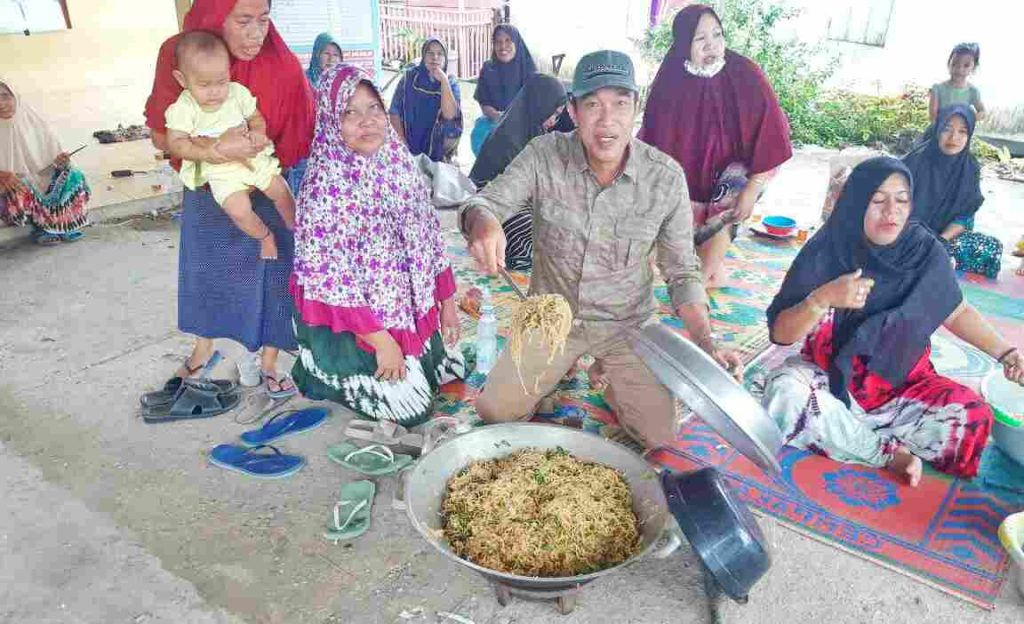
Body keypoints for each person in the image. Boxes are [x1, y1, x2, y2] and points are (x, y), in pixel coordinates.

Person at [460, 50, 743, 450]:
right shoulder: (545, 154)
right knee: (495, 412)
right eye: (592, 105)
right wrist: (483, 223)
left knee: (660, 436)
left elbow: (682, 272)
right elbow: (484, 202)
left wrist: (706, 341)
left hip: (628, 326)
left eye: (619, 104)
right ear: (573, 111)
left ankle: (609, 378)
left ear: (636, 109)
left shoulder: (664, 177)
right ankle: (563, 365)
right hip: (553, 319)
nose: (606, 121)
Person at [762, 157, 1023, 486]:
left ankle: (843, 430)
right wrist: (823, 298)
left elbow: (955, 310)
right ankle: (883, 452)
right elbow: (781, 334)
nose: (892, 212)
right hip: (830, 379)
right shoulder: (827, 249)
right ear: (857, 203)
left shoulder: (924, 249)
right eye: (877, 200)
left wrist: (1007, 354)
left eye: (901, 200)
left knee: (971, 417)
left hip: (902, 386)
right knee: (785, 391)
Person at [144, 0, 314, 399]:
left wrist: (258, 147)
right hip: (210, 186)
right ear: (215, 15)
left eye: (264, 19)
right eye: (244, 20)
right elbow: (160, 133)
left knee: (274, 274)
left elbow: (298, 129)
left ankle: (270, 361)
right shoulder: (181, 52)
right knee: (208, 273)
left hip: (267, 178)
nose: (257, 32)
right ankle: (204, 351)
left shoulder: (280, 61)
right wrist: (216, 152)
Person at [291, 65, 464, 425]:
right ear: (330, 122)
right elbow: (335, 287)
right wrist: (383, 344)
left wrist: (446, 303)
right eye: (349, 113)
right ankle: (343, 372)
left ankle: (410, 347)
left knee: (451, 372)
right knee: (412, 413)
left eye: (373, 108)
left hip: (405, 304)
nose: (366, 121)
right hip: (356, 325)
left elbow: (429, 238)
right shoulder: (324, 186)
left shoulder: (397, 162)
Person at [639, 4, 792, 288]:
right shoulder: (670, 77)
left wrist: (752, 189)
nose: (712, 45)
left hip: (734, 181)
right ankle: (707, 265)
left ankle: (710, 266)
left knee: (699, 277)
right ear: (685, 44)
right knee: (661, 261)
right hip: (684, 182)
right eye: (700, 39)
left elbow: (772, 134)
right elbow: (652, 141)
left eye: (717, 35)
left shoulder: (745, 73)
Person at [165, 31, 296, 263]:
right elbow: (176, 143)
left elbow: (255, 117)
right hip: (219, 170)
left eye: (221, 81)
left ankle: (294, 224)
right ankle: (265, 236)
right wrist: (206, 152)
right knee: (238, 210)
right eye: (204, 84)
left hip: (253, 158)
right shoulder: (183, 108)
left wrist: (258, 132)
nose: (215, 91)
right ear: (182, 80)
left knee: (280, 189)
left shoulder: (237, 93)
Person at [469, 72, 567, 270]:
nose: (554, 121)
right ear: (540, 104)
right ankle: (516, 260)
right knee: (533, 227)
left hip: (521, 198)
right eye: (553, 113)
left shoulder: (535, 131)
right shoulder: (508, 138)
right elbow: (504, 193)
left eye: (558, 115)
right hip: (492, 197)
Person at [902, 105, 1002, 278]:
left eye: (962, 131)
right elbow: (895, 207)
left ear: (969, 136)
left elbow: (965, 216)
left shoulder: (970, 167)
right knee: (909, 250)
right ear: (937, 130)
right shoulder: (914, 162)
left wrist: (942, 240)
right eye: (947, 129)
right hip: (907, 233)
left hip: (944, 238)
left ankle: (932, 257)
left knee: (990, 248)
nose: (954, 138)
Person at [0, 78, 89, 245]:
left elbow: (47, 169)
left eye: (5, 96)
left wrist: (59, 162)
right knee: (20, 182)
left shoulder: (35, 122)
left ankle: (65, 222)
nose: (1, 103)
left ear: (16, 97)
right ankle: (42, 226)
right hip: (10, 191)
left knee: (73, 175)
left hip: (39, 183)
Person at [389, 38, 462, 163]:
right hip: (408, 146)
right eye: (430, 53)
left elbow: (450, 115)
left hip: (439, 154)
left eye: (440, 54)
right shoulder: (409, 78)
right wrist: (403, 147)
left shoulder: (450, 82)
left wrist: (443, 81)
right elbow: (394, 112)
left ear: (445, 59)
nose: (435, 57)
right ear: (423, 56)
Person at [470, 24, 536, 156]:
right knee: (480, 135)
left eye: (508, 40)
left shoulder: (529, 71)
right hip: (494, 121)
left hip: (523, 124)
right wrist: (499, 118)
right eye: (498, 42)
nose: (503, 46)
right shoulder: (488, 69)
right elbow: (484, 103)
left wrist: (513, 122)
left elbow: (534, 107)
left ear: (516, 43)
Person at [930, 43, 985, 122]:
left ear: (973, 68)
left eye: (966, 65)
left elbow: (982, 112)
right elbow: (933, 117)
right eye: (955, 64)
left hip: (961, 133)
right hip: (940, 131)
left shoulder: (973, 92)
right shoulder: (938, 89)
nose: (959, 69)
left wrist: (968, 120)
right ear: (949, 63)